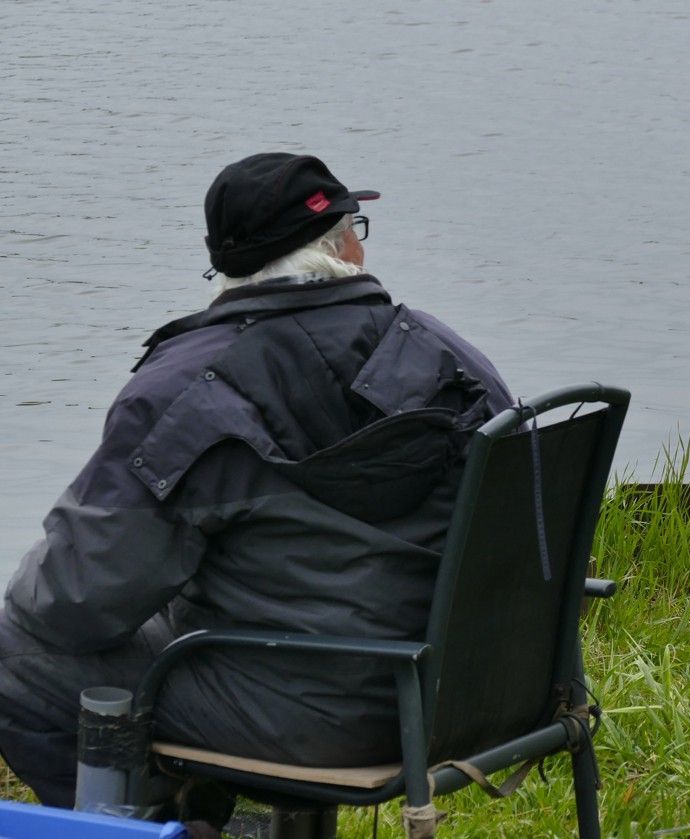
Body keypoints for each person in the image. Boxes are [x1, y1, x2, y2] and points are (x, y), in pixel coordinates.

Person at [0, 153, 513, 811]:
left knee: (12, 654)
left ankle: (166, 824)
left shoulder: (185, 388)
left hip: (307, 720)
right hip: (473, 695)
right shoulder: (453, 358)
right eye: (356, 227)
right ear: (344, 249)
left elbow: (72, 600)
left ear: (229, 266)